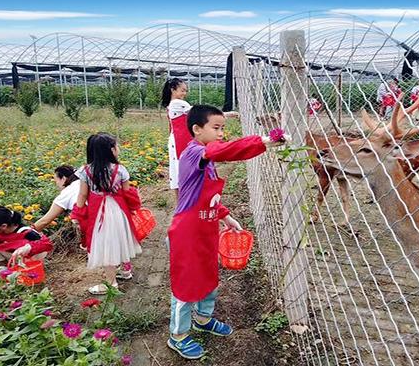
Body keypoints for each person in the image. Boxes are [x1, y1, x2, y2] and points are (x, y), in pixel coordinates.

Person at [166, 104, 287, 360]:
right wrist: (264, 141)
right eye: (216, 128)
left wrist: (226, 216)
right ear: (197, 129)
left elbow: (208, 197)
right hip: (187, 232)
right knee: (185, 285)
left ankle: (203, 319)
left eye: (223, 128)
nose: (222, 133)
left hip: (207, 228)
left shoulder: (207, 160)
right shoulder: (194, 154)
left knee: (209, 277)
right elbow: (224, 151)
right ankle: (177, 335)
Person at [71, 133, 142, 295]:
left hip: (99, 215)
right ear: (110, 150)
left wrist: (77, 214)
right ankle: (126, 271)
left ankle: (111, 283)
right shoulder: (120, 170)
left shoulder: (85, 171)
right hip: (119, 211)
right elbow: (128, 193)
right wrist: (133, 208)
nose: (119, 149)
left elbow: (82, 195)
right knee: (120, 238)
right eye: (117, 146)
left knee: (106, 246)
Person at [162, 78, 193, 198]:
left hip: (175, 140)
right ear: (173, 90)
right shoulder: (177, 103)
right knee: (183, 170)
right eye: (182, 90)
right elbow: (198, 113)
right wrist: (225, 114)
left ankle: (180, 204)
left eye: (186, 91)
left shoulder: (172, 104)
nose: (184, 93)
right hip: (180, 141)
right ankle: (186, 202)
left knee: (176, 172)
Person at [32, 165, 80, 231]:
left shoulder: (68, 192)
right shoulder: (83, 183)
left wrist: (27, 232)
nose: (56, 185)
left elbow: (45, 221)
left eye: (56, 181)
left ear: (63, 179)